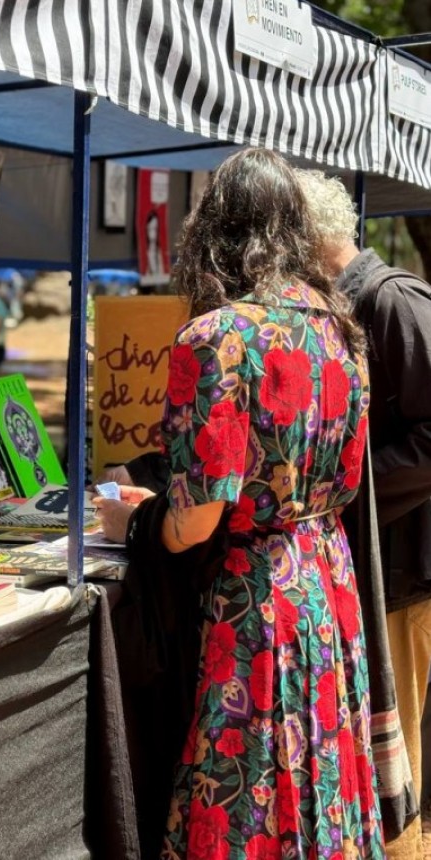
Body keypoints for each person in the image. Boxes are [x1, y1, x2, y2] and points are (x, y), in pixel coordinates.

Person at [94, 148, 384, 856]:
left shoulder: (216, 339)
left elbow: (196, 521)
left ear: (214, 233)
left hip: (255, 598)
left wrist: (135, 522)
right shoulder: (341, 333)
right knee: (318, 765)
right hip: (326, 580)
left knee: (248, 780)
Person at [297, 168, 431, 860]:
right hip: (378, 568)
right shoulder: (342, 309)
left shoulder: (393, 301)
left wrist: (341, 485)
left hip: (405, 573)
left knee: (396, 762)